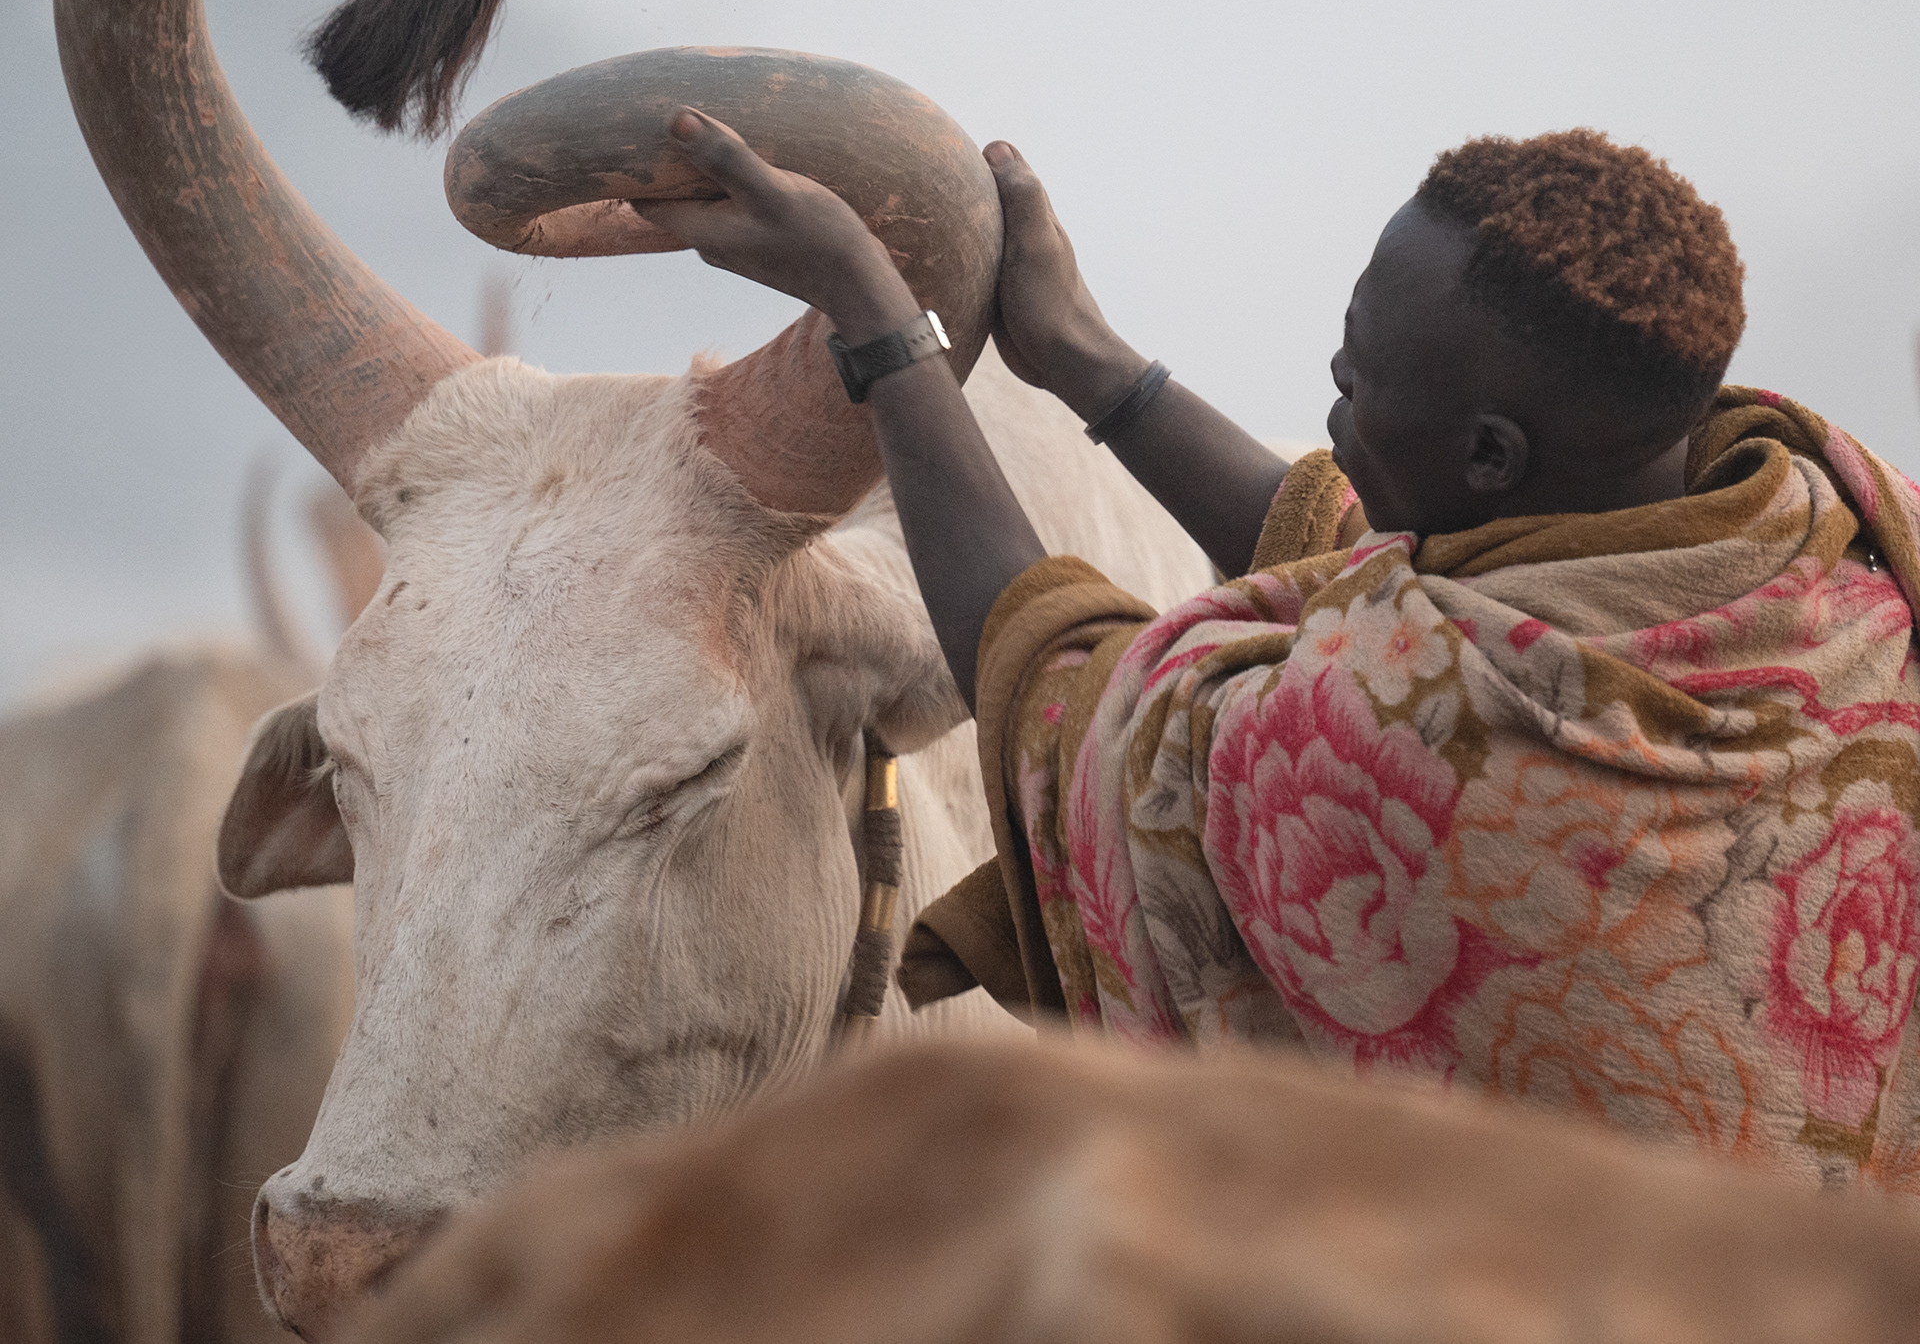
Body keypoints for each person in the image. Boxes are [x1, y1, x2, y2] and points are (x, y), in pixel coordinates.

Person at [638, 114, 1920, 1191]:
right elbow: (1367, 545)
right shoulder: (1830, 544)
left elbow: (1054, 697)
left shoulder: (1400, 734)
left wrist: (878, 322)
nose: (1329, 380)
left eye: (1359, 383)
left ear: (1489, 460)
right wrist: (1088, 360)